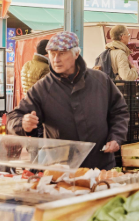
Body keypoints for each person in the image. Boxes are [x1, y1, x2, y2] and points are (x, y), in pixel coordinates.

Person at [7, 32, 128, 169]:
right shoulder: (43, 88)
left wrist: (116, 137)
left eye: (62, 53)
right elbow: (13, 118)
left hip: (100, 165)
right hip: (60, 169)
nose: (56, 59)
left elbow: (119, 111)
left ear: (76, 54)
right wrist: (23, 123)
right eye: (52, 54)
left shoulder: (100, 80)